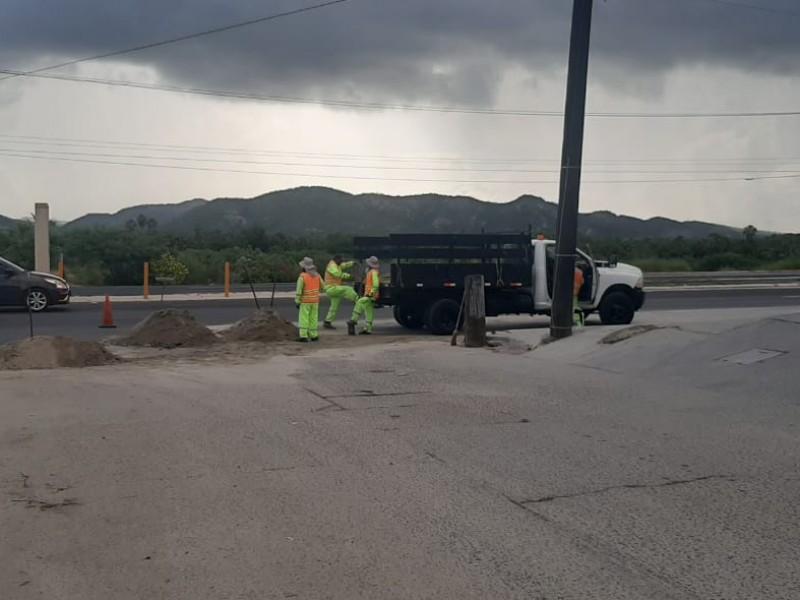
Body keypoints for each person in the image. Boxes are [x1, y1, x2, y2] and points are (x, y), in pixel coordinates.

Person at [323, 253, 358, 329]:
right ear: (337, 259)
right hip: (331, 288)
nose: (342, 261)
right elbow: (337, 274)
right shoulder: (332, 266)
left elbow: (344, 265)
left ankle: (327, 321)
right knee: (347, 289)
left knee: (334, 307)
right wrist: (349, 276)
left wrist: (352, 263)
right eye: (341, 260)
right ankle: (357, 299)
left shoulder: (336, 265)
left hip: (333, 288)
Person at [348, 256, 380, 335]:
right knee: (368, 310)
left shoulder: (373, 272)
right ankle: (368, 329)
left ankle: (353, 321)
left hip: (370, 295)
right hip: (371, 295)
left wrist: (370, 294)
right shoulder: (372, 272)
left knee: (359, 302)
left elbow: (375, 285)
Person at [295, 257, 325, 342]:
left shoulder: (302, 276)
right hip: (315, 301)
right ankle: (314, 335)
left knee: (304, 318)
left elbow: (299, 290)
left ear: (304, 267)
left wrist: (297, 301)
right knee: (313, 318)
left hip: (305, 301)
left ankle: (303, 336)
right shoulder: (317, 275)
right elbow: (323, 287)